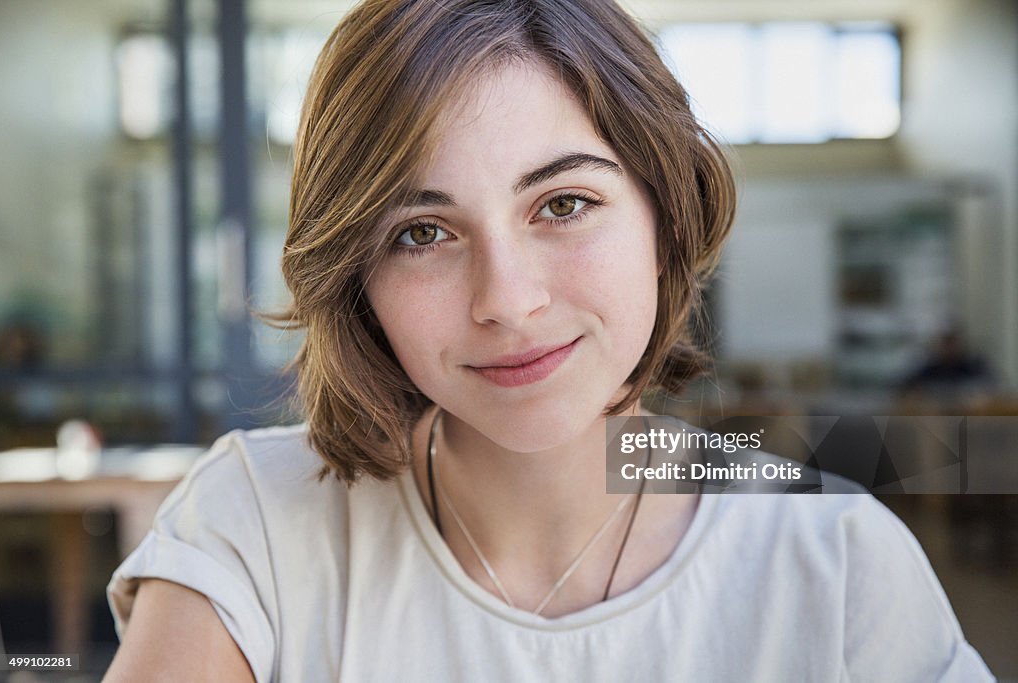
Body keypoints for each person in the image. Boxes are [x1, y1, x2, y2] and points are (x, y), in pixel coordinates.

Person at [104, 0, 993, 680]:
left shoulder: (836, 559)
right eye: (422, 232)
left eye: (564, 204)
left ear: (664, 215)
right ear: (357, 276)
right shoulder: (253, 527)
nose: (509, 300)